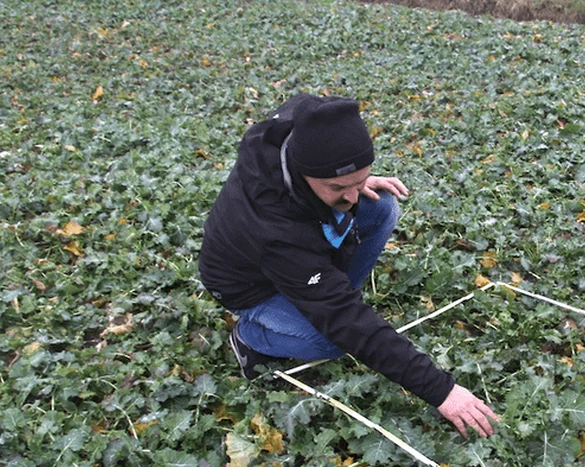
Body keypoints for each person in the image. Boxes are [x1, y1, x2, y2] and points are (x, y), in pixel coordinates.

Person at [198, 93, 499, 439]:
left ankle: (327, 293)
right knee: (332, 340)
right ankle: (251, 337)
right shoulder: (273, 229)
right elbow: (343, 321)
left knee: (380, 206)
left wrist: (352, 181)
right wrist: (443, 392)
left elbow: (330, 140)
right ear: (304, 172)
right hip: (249, 286)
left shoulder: (307, 123)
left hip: (294, 250)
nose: (352, 196)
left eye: (358, 180)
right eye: (338, 187)